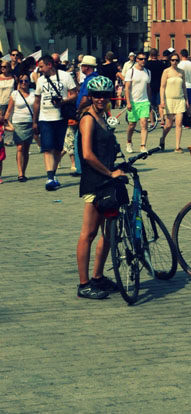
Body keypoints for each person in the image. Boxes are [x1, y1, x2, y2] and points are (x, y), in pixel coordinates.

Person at [76, 76, 127, 300]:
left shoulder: (103, 116)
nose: (100, 99)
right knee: (89, 233)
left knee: (109, 233)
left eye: (105, 95)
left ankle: (98, 277)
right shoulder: (88, 119)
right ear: (90, 96)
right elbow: (87, 154)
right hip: (94, 181)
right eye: (96, 95)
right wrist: (109, 173)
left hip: (107, 180)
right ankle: (84, 284)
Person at [32, 54, 77, 191]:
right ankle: (50, 177)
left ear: (49, 65)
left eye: (41, 67)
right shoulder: (40, 80)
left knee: (57, 148)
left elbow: (75, 94)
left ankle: (53, 174)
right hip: (45, 118)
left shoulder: (65, 76)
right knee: (47, 148)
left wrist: (63, 101)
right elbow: (37, 101)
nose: (40, 70)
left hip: (61, 117)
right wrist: (34, 121)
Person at [4, 72, 36, 181]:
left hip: (30, 122)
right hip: (18, 122)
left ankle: (24, 170)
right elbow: (9, 110)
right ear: (18, 82)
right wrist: (4, 121)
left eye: (26, 81)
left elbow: (37, 108)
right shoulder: (15, 94)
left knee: (26, 149)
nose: (23, 83)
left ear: (29, 82)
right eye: (21, 81)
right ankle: (20, 173)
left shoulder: (33, 92)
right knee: (20, 147)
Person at [123, 52, 151, 154]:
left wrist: (150, 101)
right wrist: (128, 102)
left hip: (144, 101)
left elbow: (148, 88)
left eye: (145, 59)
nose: (143, 61)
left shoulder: (148, 72)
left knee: (144, 123)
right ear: (137, 60)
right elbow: (127, 88)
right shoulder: (131, 72)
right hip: (133, 102)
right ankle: (129, 142)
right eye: (141, 59)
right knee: (132, 125)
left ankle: (143, 146)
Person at [160, 53, 189, 152]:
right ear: (170, 61)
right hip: (169, 100)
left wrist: (186, 99)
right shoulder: (166, 71)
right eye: (172, 60)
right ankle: (163, 138)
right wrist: (162, 100)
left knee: (179, 123)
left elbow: (184, 87)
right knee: (168, 124)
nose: (174, 62)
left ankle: (177, 146)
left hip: (180, 99)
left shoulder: (182, 72)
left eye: (176, 60)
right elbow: (162, 87)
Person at [176, 49, 191, 128]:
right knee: (190, 104)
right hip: (190, 85)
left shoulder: (179, 64)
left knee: (181, 104)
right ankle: (190, 121)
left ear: (181, 55)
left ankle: (182, 121)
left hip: (181, 86)